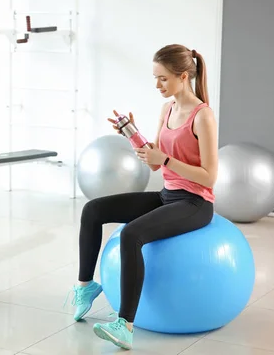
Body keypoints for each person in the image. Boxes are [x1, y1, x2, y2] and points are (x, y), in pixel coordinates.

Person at [67, 44, 219, 350]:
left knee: (132, 234)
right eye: (155, 78)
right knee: (93, 209)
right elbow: (154, 161)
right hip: (167, 195)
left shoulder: (202, 116)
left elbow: (209, 176)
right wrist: (133, 135)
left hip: (195, 203)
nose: (157, 85)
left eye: (163, 78)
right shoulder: (168, 110)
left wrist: (163, 160)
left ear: (184, 76)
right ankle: (85, 286)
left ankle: (125, 325)